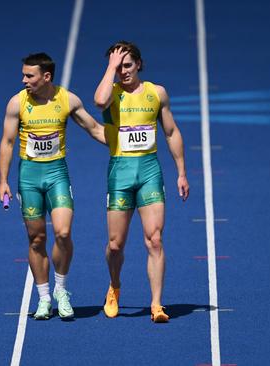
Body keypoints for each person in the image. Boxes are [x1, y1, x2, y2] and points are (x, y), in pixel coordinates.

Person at [0, 53, 106, 320]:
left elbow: (94, 128)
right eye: (23, 75)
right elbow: (7, 143)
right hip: (29, 178)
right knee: (37, 240)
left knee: (63, 232)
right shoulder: (17, 103)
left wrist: (123, 142)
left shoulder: (67, 100)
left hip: (57, 174)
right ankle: (44, 297)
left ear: (46, 77)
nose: (24, 80)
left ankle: (61, 290)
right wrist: (3, 181)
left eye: (29, 76)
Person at [94, 41, 190, 323]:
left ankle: (156, 304)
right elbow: (98, 102)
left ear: (139, 64)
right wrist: (110, 66)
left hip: (149, 171)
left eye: (127, 65)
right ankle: (114, 286)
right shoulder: (110, 93)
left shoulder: (156, 93)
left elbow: (171, 132)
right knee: (115, 245)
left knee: (155, 240)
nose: (123, 71)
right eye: (118, 66)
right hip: (120, 173)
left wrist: (181, 172)